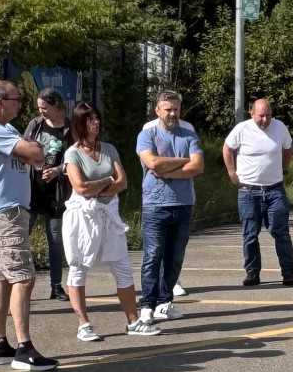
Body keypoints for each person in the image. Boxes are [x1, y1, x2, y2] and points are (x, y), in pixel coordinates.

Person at [0, 79, 58, 371]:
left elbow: (36, 155)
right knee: (23, 277)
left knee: (3, 277)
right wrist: (29, 150)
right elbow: (36, 153)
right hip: (3, 214)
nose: (20, 104)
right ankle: (24, 348)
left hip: (7, 212)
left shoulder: (7, 130)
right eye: (15, 99)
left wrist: (29, 150)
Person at [61, 102, 160, 341]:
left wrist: (98, 187)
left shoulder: (108, 149)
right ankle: (83, 324)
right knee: (78, 268)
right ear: (78, 124)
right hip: (83, 217)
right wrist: (106, 182)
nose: (94, 123)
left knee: (123, 266)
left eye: (96, 118)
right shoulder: (72, 153)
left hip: (108, 215)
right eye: (88, 119)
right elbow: (80, 187)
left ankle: (133, 321)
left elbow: (122, 183)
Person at [136, 88, 202, 321]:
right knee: (153, 256)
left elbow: (198, 166)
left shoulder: (189, 133)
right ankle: (146, 305)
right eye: (167, 109)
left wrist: (167, 169)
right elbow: (152, 162)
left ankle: (165, 302)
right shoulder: (147, 134)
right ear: (157, 110)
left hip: (183, 204)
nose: (172, 113)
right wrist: (183, 162)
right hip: (155, 205)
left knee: (175, 257)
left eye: (175, 108)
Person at [223, 97, 293, 287]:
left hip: (275, 190)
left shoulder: (280, 127)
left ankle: (289, 272)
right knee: (250, 234)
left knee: (280, 231)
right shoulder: (242, 129)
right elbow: (227, 149)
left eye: (268, 115)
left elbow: (288, 148)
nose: (265, 120)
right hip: (248, 191)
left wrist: (284, 166)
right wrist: (232, 172)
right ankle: (252, 272)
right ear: (252, 114)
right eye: (261, 116)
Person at [27, 87, 75, 300]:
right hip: (31, 190)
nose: (41, 111)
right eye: (39, 108)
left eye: (44, 107)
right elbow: (23, 148)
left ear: (56, 106)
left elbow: (78, 158)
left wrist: (58, 171)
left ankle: (56, 285)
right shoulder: (35, 125)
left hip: (57, 194)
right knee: (20, 236)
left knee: (55, 241)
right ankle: (16, 283)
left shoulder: (71, 129)